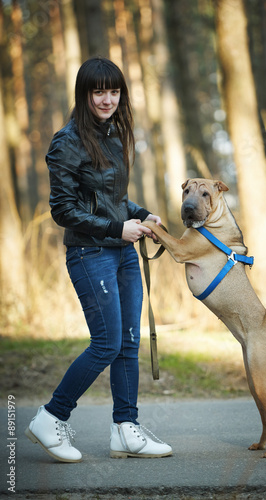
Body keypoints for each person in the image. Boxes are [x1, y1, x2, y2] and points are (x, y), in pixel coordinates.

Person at [25, 56, 172, 462]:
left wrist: (140, 215)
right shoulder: (67, 140)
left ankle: (126, 429)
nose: (107, 99)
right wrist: (116, 228)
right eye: (98, 91)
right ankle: (51, 417)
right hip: (91, 254)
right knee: (106, 343)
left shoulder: (112, 134)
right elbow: (63, 210)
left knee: (127, 341)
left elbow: (112, 198)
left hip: (122, 252)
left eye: (114, 91)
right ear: (85, 94)